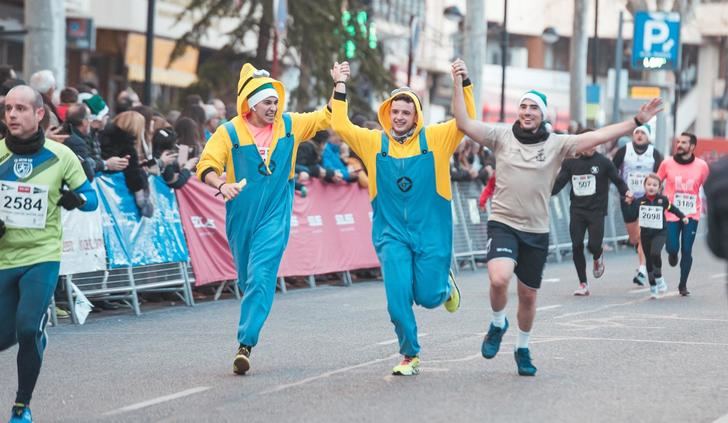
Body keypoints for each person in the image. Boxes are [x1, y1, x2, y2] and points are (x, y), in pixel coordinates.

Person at [452, 70, 663, 376]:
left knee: (528, 295)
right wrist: (458, 82)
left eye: (533, 108)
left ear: (542, 115)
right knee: (499, 278)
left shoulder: (557, 144)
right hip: (503, 222)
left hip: (536, 229)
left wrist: (636, 122)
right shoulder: (500, 137)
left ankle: (522, 347)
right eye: (523, 107)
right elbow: (464, 122)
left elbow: (598, 136)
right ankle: (498, 323)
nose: (527, 112)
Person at [196, 62, 342, 375]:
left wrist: (339, 85)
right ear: (250, 103)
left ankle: (245, 343)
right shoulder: (229, 132)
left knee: (262, 276)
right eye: (267, 102)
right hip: (240, 216)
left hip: (275, 215)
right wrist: (222, 184)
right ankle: (249, 323)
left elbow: (326, 116)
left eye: (275, 101)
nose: (273, 107)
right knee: (248, 280)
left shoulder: (290, 126)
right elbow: (206, 164)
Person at [331, 59, 475, 376]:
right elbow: (341, 125)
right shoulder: (373, 143)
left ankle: (445, 287)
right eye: (394, 112)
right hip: (390, 234)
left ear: (416, 116)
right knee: (397, 301)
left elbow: (466, 121)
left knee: (428, 296)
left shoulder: (436, 139)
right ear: (387, 113)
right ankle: (409, 354)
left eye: (405, 113)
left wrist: (462, 84)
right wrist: (340, 84)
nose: (398, 117)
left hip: (431, 233)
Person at [1, 85, 98, 423]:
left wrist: (76, 198)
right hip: (3, 259)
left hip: (42, 257)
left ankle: (21, 406)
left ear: (39, 114)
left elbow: (92, 199)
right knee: (3, 338)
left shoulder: (62, 156)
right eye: (8, 109)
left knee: (28, 329)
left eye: (20, 109)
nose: (12, 115)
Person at [551, 132, 633, 296]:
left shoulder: (603, 162)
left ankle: (598, 255)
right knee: (576, 245)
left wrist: (627, 192)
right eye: (586, 143)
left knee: (593, 245)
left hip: (596, 210)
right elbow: (559, 183)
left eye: (593, 143)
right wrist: (544, 193)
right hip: (577, 210)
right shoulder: (570, 162)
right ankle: (583, 283)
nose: (590, 147)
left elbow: (617, 180)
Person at [656, 132, 710, 296]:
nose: (679, 145)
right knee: (672, 247)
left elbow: (709, 187)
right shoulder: (667, 163)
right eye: (678, 142)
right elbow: (657, 182)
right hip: (671, 213)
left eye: (683, 142)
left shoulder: (702, 166)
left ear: (692, 147)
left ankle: (682, 284)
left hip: (691, 214)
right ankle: (672, 254)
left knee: (687, 249)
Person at [612, 125, 664, 286]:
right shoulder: (623, 151)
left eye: (643, 133)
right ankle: (643, 258)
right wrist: (624, 191)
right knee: (634, 238)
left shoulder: (654, 154)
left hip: (648, 199)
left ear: (648, 137)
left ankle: (642, 270)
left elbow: (661, 176)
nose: (639, 135)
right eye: (637, 132)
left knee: (643, 235)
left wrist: (657, 195)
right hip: (628, 199)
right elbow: (613, 173)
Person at [633, 173, 688, 299]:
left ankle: (659, 277)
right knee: (649, 260)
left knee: (655, 253)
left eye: (654, 185)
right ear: (644, 186)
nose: (651, 187)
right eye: (649, 184)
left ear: (659, 188)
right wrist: (629, 202)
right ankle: (653, 286)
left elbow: (672, 208)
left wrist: (682, 217)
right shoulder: (640, 201)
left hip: (660, 232)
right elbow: (632, 214)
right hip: (646, 234)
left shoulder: (662, 200)